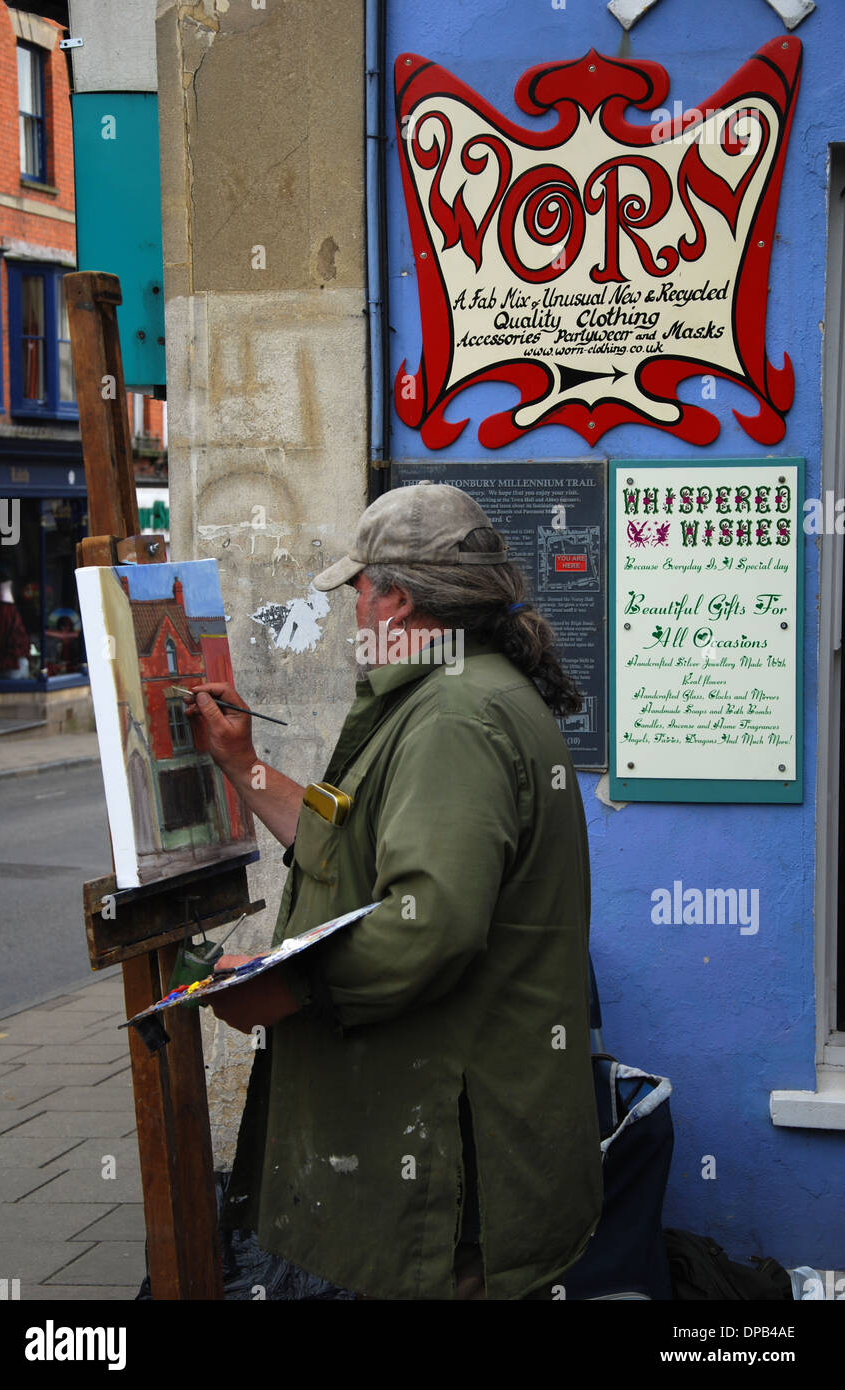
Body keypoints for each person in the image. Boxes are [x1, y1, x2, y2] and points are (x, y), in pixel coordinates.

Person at [184, 482, 603, 1300]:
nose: (353, 616)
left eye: (359, 593)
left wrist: (288, 988)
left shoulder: (453, 717)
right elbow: (348, 849)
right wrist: (243, 764)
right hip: (462, 1131)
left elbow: (428, 926)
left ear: (399, 600)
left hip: (456, 1158)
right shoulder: (463, 692)